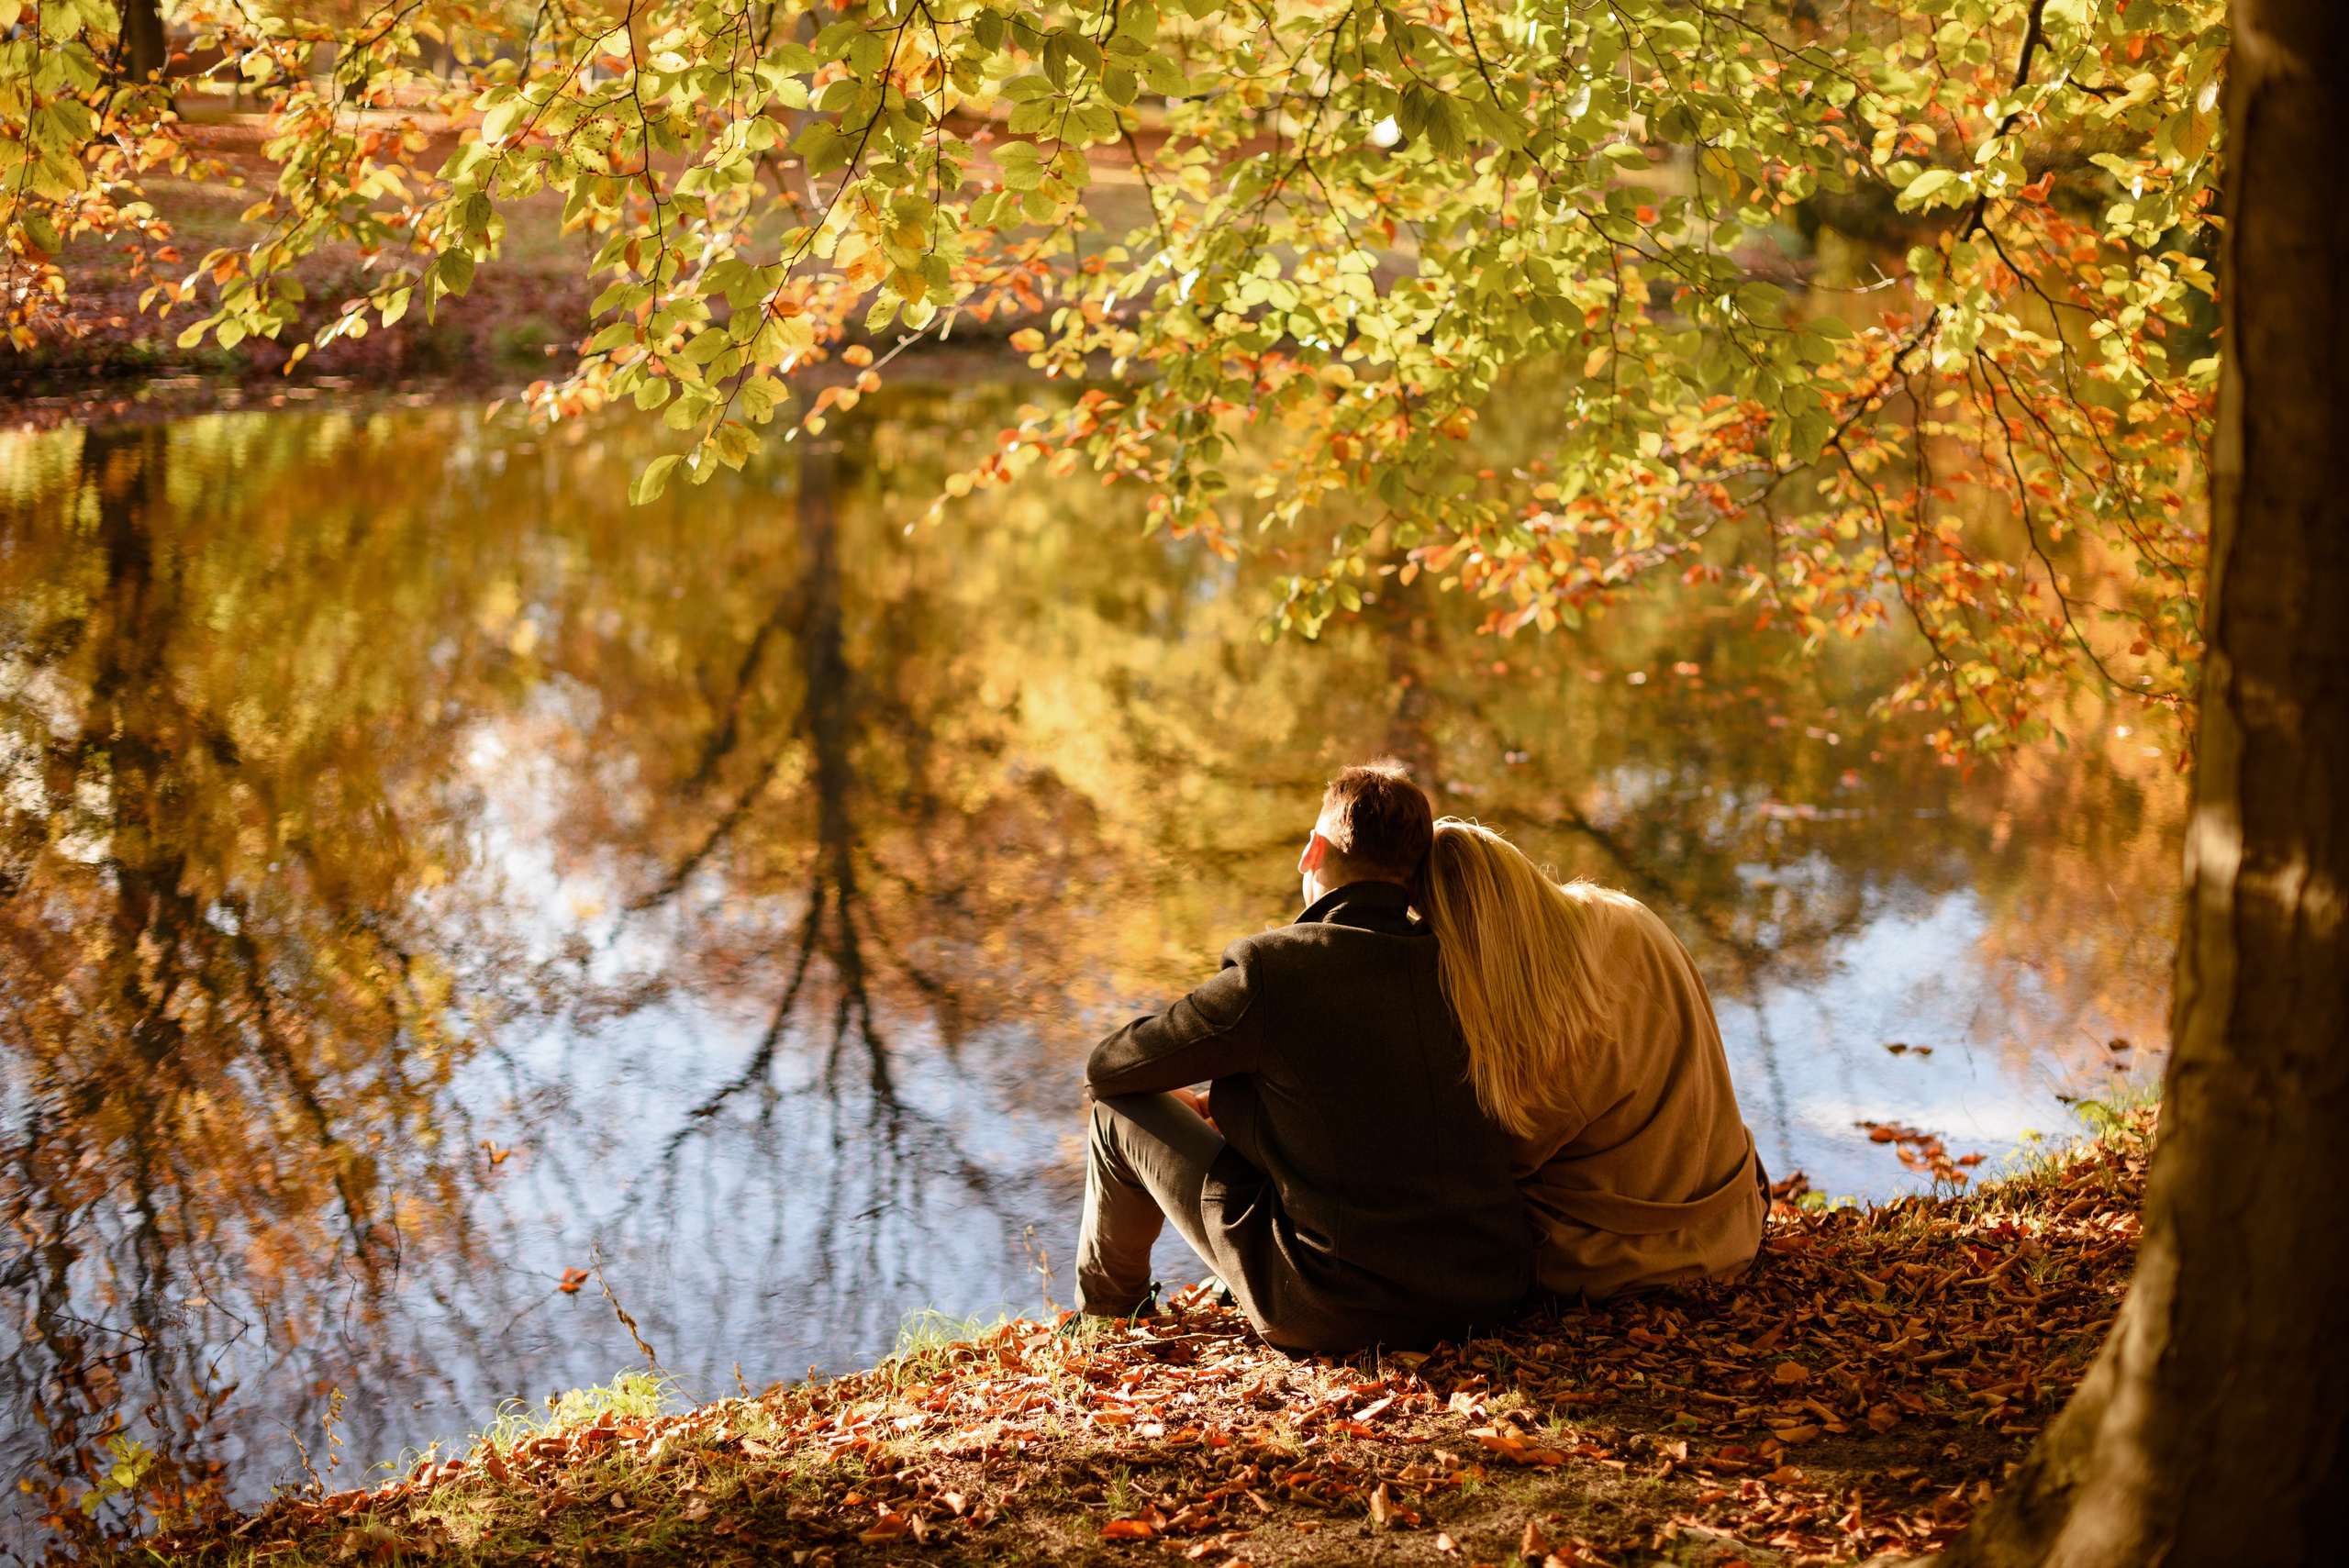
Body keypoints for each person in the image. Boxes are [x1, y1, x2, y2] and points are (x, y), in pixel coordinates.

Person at [1076, 762, 1531, 1353]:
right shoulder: (1467, 965)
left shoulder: (1274, 969)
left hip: (1337, 1308)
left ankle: (1109, 1318)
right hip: (1490, 1290)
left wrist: (1211, 1090)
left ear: (1313, 851)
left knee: (1118, 1116)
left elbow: (1110, 1068)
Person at [1416, 818, 1764, 1301]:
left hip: (1636, 1257)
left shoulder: (1545, 1020)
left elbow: (1493, 1166)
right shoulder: (1626, 916)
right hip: (1734, 1215)